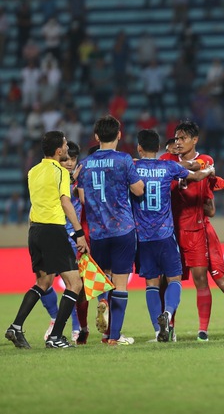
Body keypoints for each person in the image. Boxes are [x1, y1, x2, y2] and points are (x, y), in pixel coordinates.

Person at [162, 121, 224, 342]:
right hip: (171, 233)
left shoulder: (205, 160)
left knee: (208, 279)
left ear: (194, 140)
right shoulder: (166, 161)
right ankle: (169, 331)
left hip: (198, 231)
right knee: (167, 282)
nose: (178, 142)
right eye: (176, 138)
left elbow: (209, 198)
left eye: (183, 138)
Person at [5, 131, 88, 349]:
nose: (67, 150)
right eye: (65, 146)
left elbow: (47, 191)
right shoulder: (59, 171)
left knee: (43, 282)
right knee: (75, 283)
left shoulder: (33, 171)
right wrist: (79, 233)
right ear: (59, 150)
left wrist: (68, 179)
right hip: (53, 229)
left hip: (34, 231)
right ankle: (56, 336)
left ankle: (16, 326)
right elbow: (64, 202)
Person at [133, 129, 215, 342]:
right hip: (166, 234)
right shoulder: (168, 166)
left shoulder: (132, 167)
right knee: (174, 279)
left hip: (143, 236)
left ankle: (157, 331)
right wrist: (208, 171)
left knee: (151, 284)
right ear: (159, 148)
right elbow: (197, 175)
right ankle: (168, 315)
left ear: (140, 148)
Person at [77, 116, 144, 346]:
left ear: (96, 137)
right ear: (119, 135)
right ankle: (114, 337)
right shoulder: (124, 160)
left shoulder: (84, 165)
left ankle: (102, 302)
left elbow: (83, 199)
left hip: (98, 232)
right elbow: (137, 190)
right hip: (122, 229)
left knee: (104, 276)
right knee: (121, 283)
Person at [40, 141, 82, 343]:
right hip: (52, 235)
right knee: (44, 283)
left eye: (73, 159)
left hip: (72, 240)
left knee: (73, 284)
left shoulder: (79, 181)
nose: (69, 163)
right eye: (66, 159)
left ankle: (76, 327)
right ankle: (55, 317)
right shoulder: (52, 178)